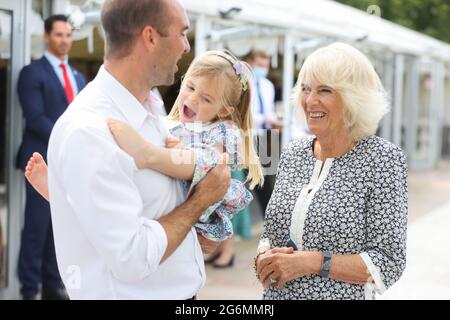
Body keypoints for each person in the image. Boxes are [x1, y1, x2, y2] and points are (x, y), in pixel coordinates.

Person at [43, 0, 231, 300]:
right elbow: (132, 257)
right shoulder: (89, 132)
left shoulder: (150, 106)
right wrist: (201, 201)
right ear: (150, 37)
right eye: (182, 33)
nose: (186, 47)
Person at [26, 50, 263, 243]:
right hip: (161, 197)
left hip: (190, 202)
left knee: (201, 163)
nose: (192, 99)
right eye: (190, 87)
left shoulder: (224, 130)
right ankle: (60, 195)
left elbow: (209, 164)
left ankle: (145, 155)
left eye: (206, 99)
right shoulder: (168, 123)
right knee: (111, 201)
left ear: (223, 110)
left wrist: (159, 152)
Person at [255, 43, 408, 300]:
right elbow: (271, 231)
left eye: (324, 90)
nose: (310, 100)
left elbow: (389, 261)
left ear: (353, 99)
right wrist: (262, 256)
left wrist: (312, 262)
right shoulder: (293, 153)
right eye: (305, 89)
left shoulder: (383, 159)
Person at [15, 14, 86, 300]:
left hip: (69, 165)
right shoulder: (32, 72)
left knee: (60, 227)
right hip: (40, 161)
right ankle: (29, 289)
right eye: (58, 35)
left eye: (68, 35)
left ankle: (52, 285)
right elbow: (35, 118)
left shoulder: (79, 77)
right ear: (46, 36)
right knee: (36, 228)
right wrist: (70, 140)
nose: (64, 40)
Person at [246, 49, 282, 218]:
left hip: (268, 137)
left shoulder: (267, 85)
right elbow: (246, 113)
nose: (263, 67)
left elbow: (269, 110)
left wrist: (276, 120)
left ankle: (271, 218)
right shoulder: (244, 83)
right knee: (253, 180)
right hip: (250, 136)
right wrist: (266, 119)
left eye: (266, 64)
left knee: (270, 180)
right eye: (260, 64)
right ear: (251, 62)